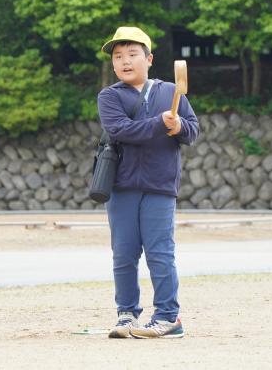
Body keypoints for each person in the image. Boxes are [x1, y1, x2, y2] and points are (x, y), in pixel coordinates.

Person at [97, 27, 199, 339]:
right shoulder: (109, 96)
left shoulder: (171, 92)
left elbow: (194, 131)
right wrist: (159, 123)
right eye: (118, 56)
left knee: (160, 253)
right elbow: (122, 130)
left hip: (160, 186)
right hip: (122, 186)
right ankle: (126, 315)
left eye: (131, 54)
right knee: (124, 254)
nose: (124, 61)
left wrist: (179, 125)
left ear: (149, 58)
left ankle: (169, 318)